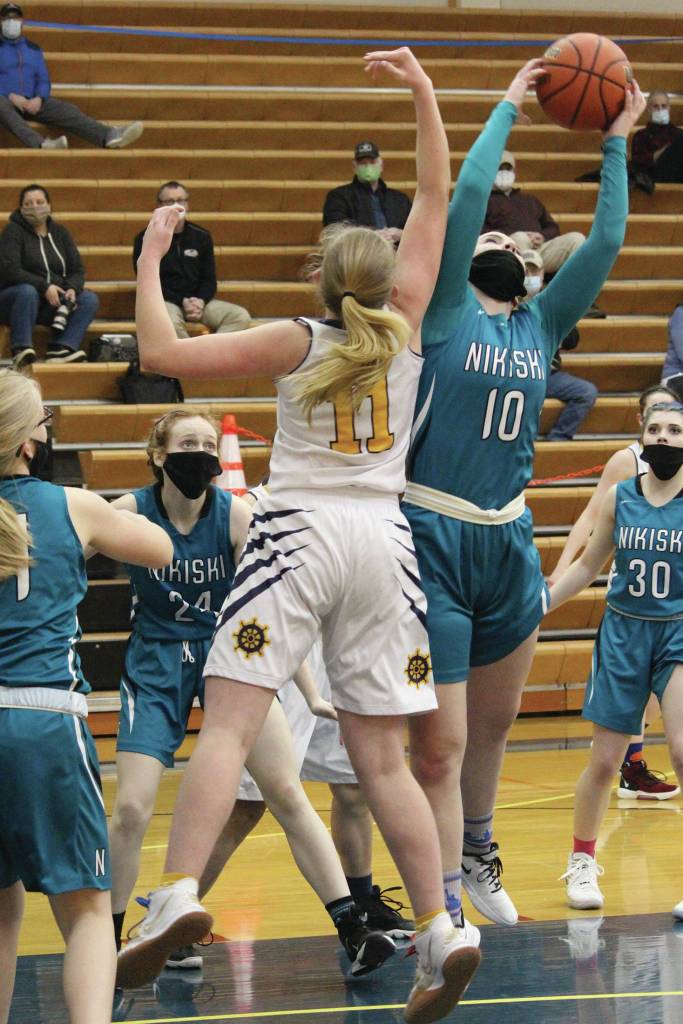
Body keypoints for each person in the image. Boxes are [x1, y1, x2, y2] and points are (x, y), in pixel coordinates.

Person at [117, 48, 483, 1024]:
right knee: (382, 763)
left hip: (298, 535)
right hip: (385, 546)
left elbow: (158, 352)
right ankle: (442, 922)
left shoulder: (298, 339)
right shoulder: (406, 329)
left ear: (324, 280)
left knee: (229, 723)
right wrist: (422, 91)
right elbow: (439, 194)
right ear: (394, 269)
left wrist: (152, 257)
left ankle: (179, 892)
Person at [402, 62, 644, 932]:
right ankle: (439, 896)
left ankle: (477, 848)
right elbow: (468, 191)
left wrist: (615, 141)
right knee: (442, 740)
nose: (514, 246)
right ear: (473, 258)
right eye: (499, 242)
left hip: (506, 541)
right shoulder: (440, 314)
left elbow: (606, 243)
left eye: (526, 248)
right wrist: (506, 103)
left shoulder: (539, 325)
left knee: (493, 732)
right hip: (431, 530)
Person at [109, 411, 396, 981]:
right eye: (187, 443)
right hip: (157, 663)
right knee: (132, 808)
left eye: (209, 444)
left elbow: (277, 609)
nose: (201, 452)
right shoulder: (127, 512)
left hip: (228, 662)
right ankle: (111, 939)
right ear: (159, 453)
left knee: (286, 792)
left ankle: (353, 929)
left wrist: (307, 689)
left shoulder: (237, 515)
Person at [0, 368, 172, 1024]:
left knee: (2, 910)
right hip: (44, 721)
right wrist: (110, 512)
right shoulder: (70, 504)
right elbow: (158, 548)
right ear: (27, 442)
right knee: (88, 908)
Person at [548, 402, 683, 910]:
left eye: (675, 429)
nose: (664, 436)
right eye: (656, 428)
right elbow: (586, 566)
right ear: (642, 438)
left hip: (677, 633)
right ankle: (582, 863)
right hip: (623, 631)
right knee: (604, 762)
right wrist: (541, 603)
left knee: (682, 750)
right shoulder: (618, 497)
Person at [0, 3, 142, 149]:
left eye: (15, 18)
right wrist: (10, 96)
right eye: (7, 18)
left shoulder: (33, 49)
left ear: (22, 21)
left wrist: (39, 98)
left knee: (67, 109)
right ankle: (41, 144)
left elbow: (43, 78)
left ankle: (107, 136)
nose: (11, 22)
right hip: (7, 101)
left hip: (32, 101)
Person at [132, 182, 251, 340]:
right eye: (169, 202)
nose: (176, 205)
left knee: (240, 316)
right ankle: (189, 360)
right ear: (159, 206)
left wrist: (200, 301)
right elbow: (147, 281)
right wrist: (182, 301)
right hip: (166, 300)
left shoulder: (201, 236)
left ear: (187, 204)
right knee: (168, 322)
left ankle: (208, 356)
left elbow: (209, 279)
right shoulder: (146, 238)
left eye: (181, 200)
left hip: (198, 301)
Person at [0, 183, 99, 367]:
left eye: (39, 202)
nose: (35, 207)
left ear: (49, 205)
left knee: (89, 299)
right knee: (26, 291)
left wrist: (71, 288)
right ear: (21, 208)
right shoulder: (12, 232)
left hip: (52, 304)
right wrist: (44, 287)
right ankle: (21, 348)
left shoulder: (61, 233)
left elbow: (77, 269)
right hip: (16, 302)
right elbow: (9, 269)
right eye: (28, 203)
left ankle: (61, 347)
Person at [521, 250, 599, 441]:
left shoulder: (552, 301)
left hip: (549, 373)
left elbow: (572, 342)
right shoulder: (508, 300)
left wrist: (562, 320)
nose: (530, 277)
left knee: (586, 392)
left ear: (542, 273)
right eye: (526, 272)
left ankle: (558, 440)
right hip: (519, 370)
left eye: (535, 272)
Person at [322, 140, 412, 245]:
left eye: (372, 162)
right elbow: (334, 230)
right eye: (363, 163)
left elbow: (417, 230)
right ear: (354, 167)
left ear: (381, 165)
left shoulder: (400, 199)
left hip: (396, 256)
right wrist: (369, 236)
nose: (368, 167)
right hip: (357, 256)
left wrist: (400, 234)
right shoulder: (339, 197)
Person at [630, 89, 683, 194]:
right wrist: (666, 151)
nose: (660, 110)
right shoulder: (641, 135)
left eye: (664, 106)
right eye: (656, 106)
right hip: (656, 175)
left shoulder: (678, 133)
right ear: (649, 109)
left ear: (669, 108)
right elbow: (638, 162)